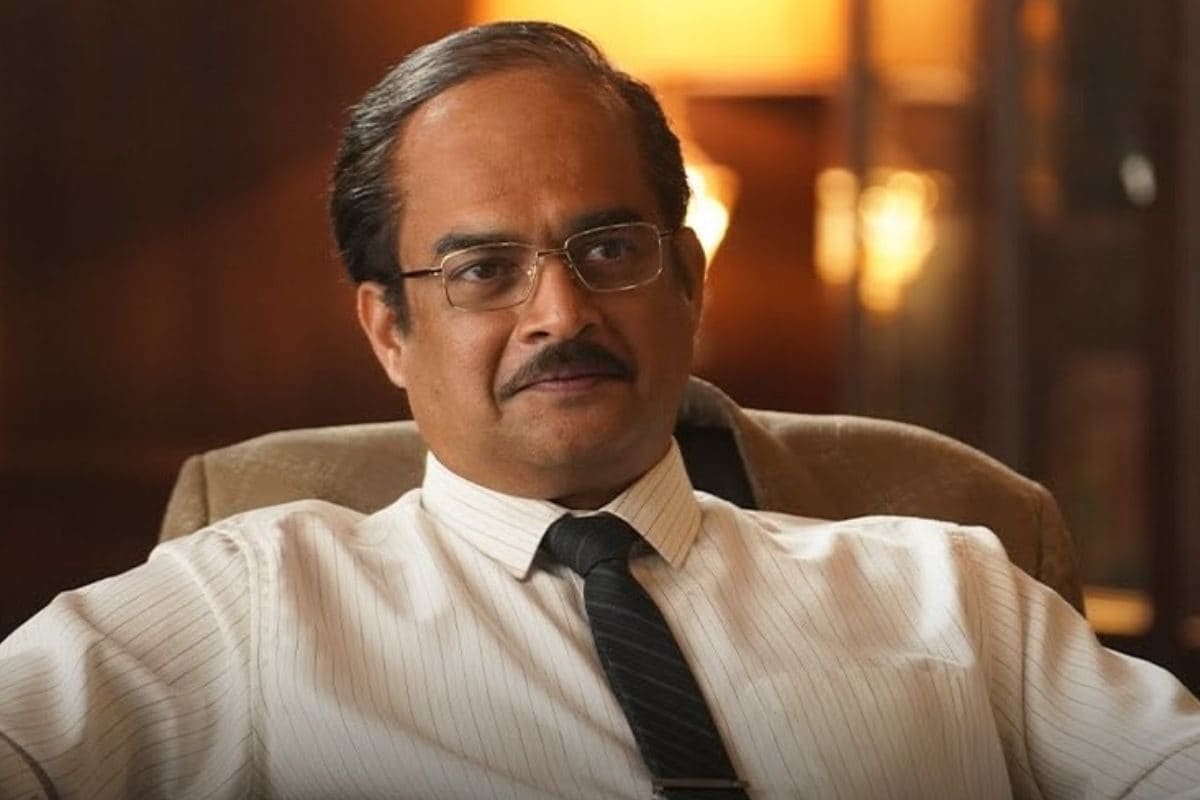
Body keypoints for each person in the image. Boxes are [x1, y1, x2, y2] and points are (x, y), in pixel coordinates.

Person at [2, 20, 1198, 800]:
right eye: (483, 269)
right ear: (388, 329)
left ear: (688, 279)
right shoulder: (256, 599)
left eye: (610, 247)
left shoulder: (951, 587)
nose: (561, 312)